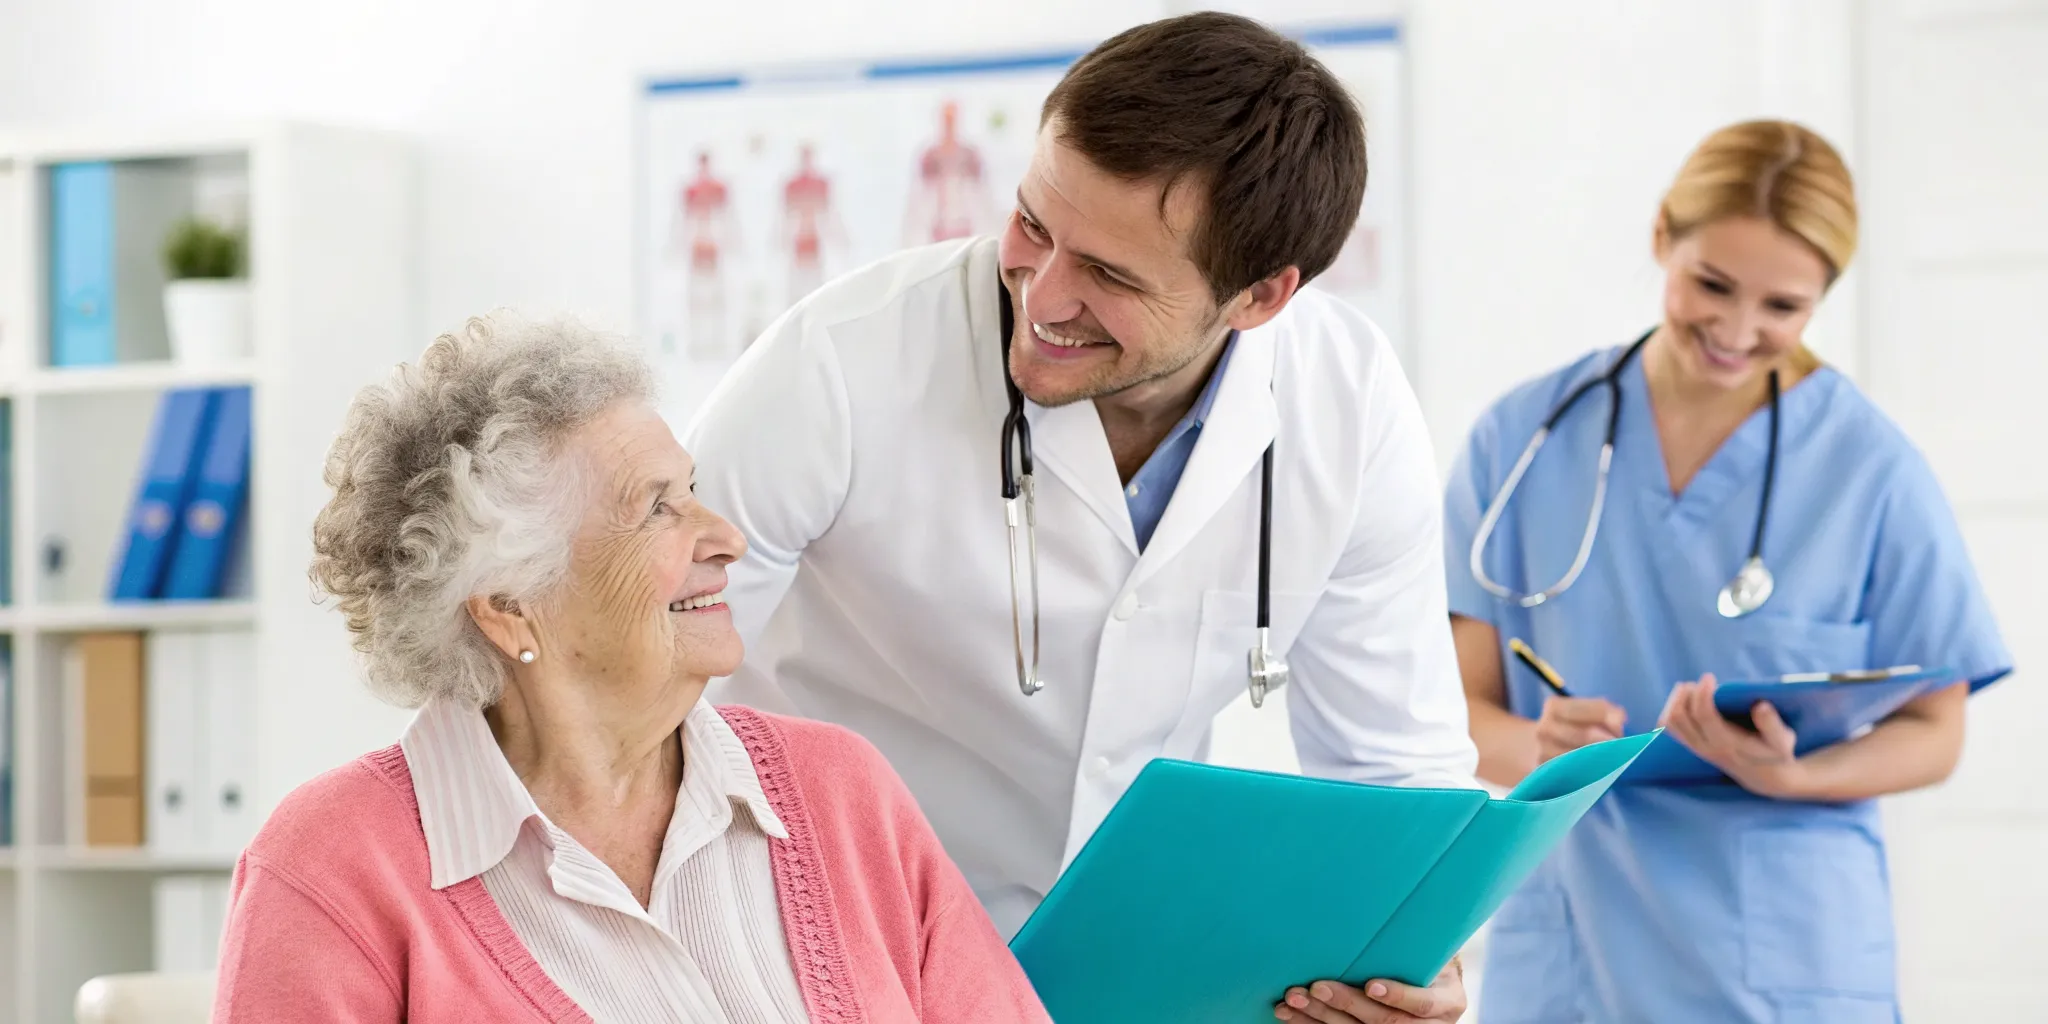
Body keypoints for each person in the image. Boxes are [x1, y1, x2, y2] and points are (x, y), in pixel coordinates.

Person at [686, 13, 1474, 1023]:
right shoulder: (840, 361)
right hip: (827, 949)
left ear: (1259, 296)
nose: (1040, 293)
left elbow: (1396, 775)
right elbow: (628, 669)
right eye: (1030, 224)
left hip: (1132, 972)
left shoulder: (1346, 405)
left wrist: (1413, 947)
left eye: (1107, 274)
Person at [211, 314, 1051, 1023]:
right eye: (658, 509)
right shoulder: (330, 868)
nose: (727, 538)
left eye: (692, 488)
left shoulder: (841, 792)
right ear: (508, 603)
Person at [1444, 120, 2013, 1023]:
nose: (1737, 331)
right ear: (1663, 235)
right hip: (1573, 944)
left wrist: (1796, 776)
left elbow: (1936, 733)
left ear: (1821, 301)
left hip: (1781, 957)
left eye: (1782, 307)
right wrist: (1540, 749)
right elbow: (1459, 716)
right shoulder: (1520, 442)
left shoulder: (1867, 467)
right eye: (1711, 284)